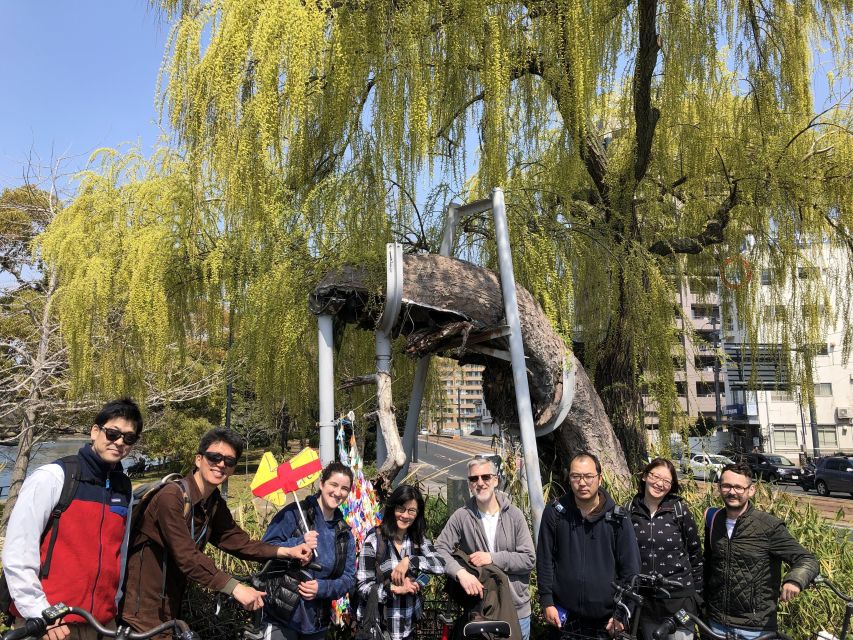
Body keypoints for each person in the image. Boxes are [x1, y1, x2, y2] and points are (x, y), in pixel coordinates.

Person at [119, 428, 312, 637]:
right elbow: (187, 557)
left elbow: (239, 542)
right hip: (141, 609)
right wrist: (235, 588)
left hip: (170, 605)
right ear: (199, 459)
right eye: (214, 457)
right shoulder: (170, 498)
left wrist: (287, 551)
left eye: (229, 461)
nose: (221, 464)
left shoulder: (212, 503)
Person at [3, 398, 143, 640]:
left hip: (101, 625)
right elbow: (18, 553)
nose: (119, 442)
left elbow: (118, 555)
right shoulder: (54, 477)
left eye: (129, 438)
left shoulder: (123, 488)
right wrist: (40, 613)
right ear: (95, 431)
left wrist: (114, 606)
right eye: (113, 433)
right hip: (50, 625)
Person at [704, 462, 819, 639]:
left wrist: (795, 580)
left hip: (754, 628)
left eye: (738, 487)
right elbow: (708, 564)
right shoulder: (714, 519)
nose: (732, 492)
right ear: (719, 488)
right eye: (726, 486)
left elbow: (806, 559)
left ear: (751, 490)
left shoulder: (769, 527)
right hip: (716, 623)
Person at [537, 451, 640, 640]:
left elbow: (631, 571)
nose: (582, 483)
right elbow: (545, 560)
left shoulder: (617, 518)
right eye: (576, 476)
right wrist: (546, 601)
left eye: (588, 476)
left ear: (599, 479)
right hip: (564, 618)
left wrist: (622, 614)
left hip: (606, 621)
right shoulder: (555, 512)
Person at [435, 455, 535, 640]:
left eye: (485, 477)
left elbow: (529, 559)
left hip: (516, 609)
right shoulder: (462, 516)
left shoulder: (514, 516)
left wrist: (493, 557)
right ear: (469, 484)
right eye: (474, 478)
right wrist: (460, 573)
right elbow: (439, 550)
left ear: (495, 480)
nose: (480, 483)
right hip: (481, 610)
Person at [262, 461, 357, 640]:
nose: (338, 492)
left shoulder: (345, 533)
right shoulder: (294, 515)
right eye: (334, 484)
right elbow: (264, 550)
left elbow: (349, 579)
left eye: (344, 488)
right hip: (281, 617)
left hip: (316, 623)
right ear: (322, 484)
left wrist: (323, 588)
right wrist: (298, 542)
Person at [356, 484, 445, 640]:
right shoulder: (375, 541)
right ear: (392, 509)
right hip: (379, 628)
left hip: (407, 627)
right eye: (401, 509)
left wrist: (410, 561)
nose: (405, 515)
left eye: (412, 511)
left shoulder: (418, 539)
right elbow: (363, 586)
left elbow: (440, 564)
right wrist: (393, 590)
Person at [626, 458, 703, 640]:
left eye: (666, 481)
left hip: (679, 600)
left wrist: (698, 597)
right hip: (646, 601)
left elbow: (696, 556)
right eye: (655, 476)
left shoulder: (679, 510)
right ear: (645, 476)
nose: (659, 484)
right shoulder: (629, 510)